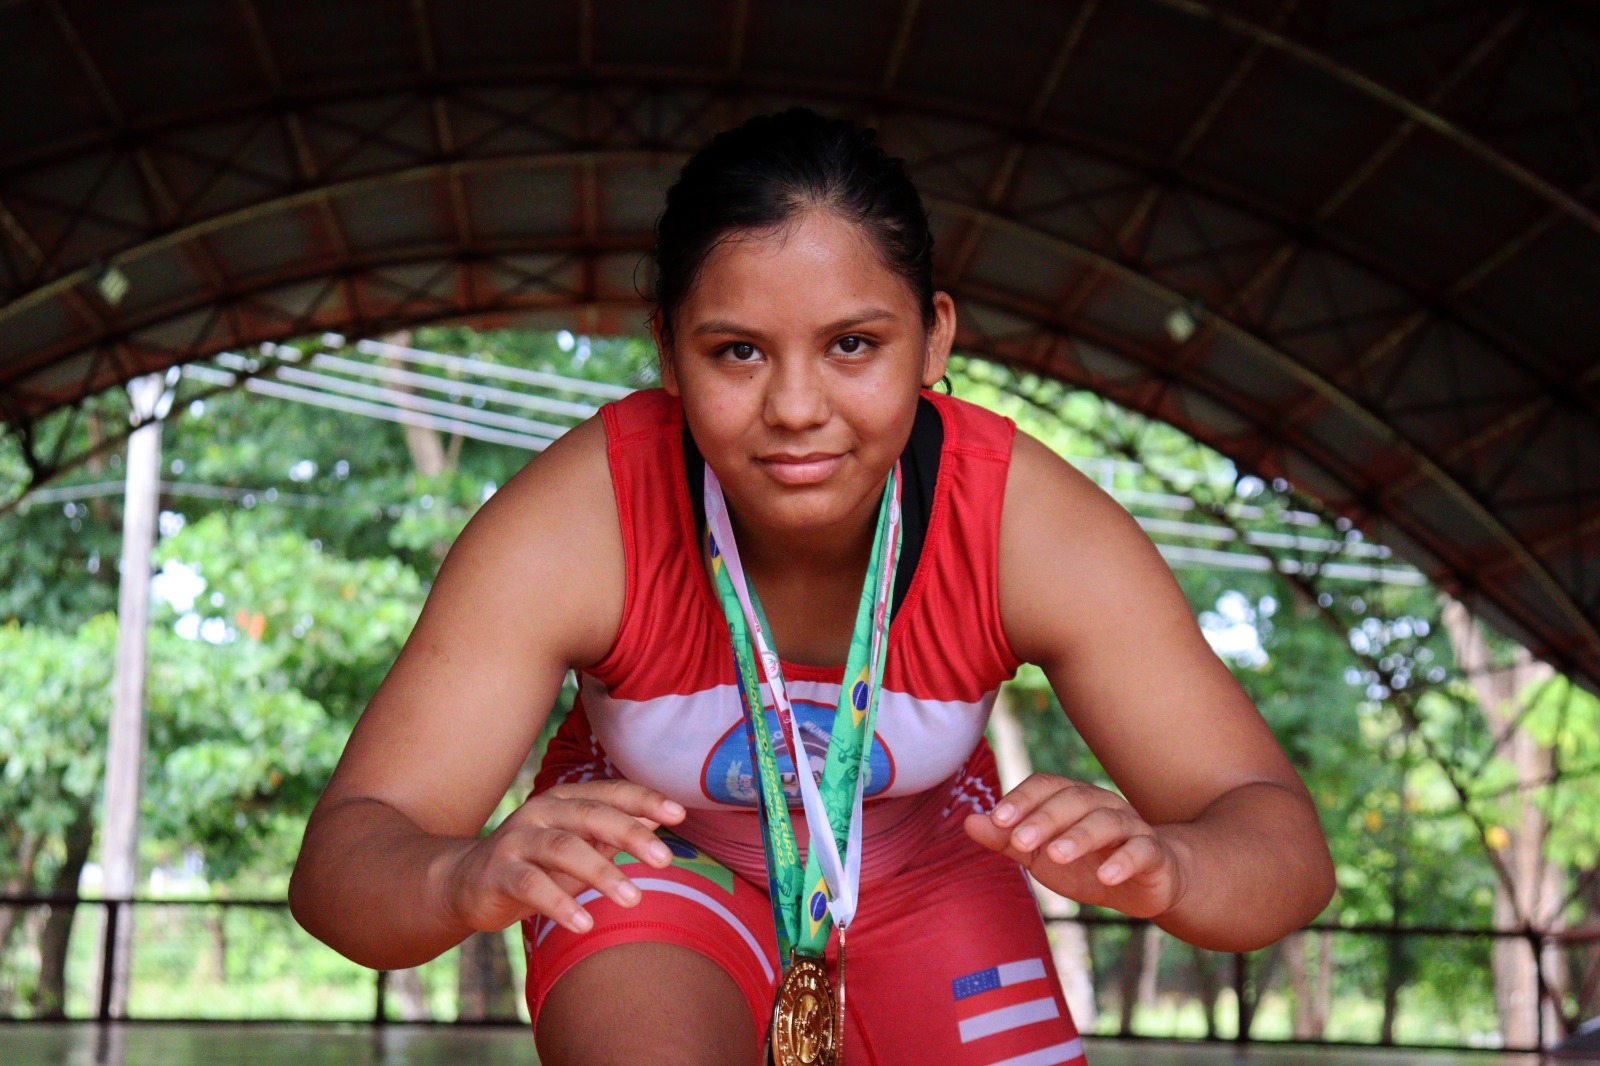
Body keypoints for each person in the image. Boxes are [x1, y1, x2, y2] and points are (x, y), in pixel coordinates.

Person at [289, 107, 1335, 1066]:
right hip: (653, 860)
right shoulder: (578, 520)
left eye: (852, 345)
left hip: (929, 861)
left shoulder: (1025, 523)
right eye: (737, 350)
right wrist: (457, 878)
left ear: (934, 339)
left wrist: (1175, 869)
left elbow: (1278, 842)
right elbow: (347, 858)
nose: (796, 406)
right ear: (666, 352)